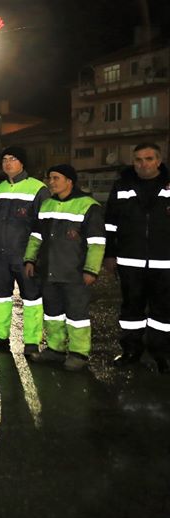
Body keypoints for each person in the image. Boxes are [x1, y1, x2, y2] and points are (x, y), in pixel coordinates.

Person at [24, 164, 105, 371]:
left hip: (74, 272)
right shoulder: (47, 205)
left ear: (69, 181)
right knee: (53, 314)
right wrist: (30, 259)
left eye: (56, 178)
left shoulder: (88, 206)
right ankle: (55, 349)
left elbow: (96, 243)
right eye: (50, 178)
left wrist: (91, 270)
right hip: (48, 271)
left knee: (77, 315)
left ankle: (79, 353)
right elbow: (36, 236)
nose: (51, 182)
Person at [104, 143, 170, 370]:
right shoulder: (122, 186)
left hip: (165, 262)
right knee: (131, 310)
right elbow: (110, 224)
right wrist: (109, 255)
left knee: (163, 311)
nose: (143, 164)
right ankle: (131, 351)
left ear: (158, 161)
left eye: (149, 158)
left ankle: (162, 354)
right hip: (130, 261)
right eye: (138, 159)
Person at [0, 146, 49, 356]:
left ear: (22, 162)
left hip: (25, 255)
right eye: (4, 159)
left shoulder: (38, 189)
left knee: (32, 298)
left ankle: (31, 341)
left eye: (12, 158)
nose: (7, 163)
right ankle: (0, 336)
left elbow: (43, 226)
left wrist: (34, 256)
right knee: (1, 296)